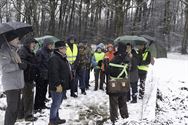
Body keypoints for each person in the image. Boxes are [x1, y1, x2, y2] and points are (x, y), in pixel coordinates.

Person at [0, 31, 26, 125]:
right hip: (10, 84)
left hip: (18, 84)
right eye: (17, 38)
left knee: (16, 109)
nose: (19, 40)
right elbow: (5, 67)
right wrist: (18, 66)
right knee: (12, 108)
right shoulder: (4, 50)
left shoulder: (14, 50)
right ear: (11, 40)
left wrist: (23, 65)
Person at [106, 42, 130, 125]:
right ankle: (125, 117)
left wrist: (106, 65)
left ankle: (114, 120)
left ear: (119, 48)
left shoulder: (116, 58)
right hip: (123, 84)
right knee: (123, 102)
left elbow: (111, 72)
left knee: (113, 104)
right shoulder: (127, 58)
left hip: (115, 84)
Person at [48, 41, 71, 125]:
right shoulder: (54, 58)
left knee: (58, 103)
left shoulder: (62, 57)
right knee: (55, 103)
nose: (66, 49)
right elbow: (54, 73)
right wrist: (58, 84)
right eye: (64, 48)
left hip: (62, 84)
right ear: (59, 49)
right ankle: (52, 120)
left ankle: (56, 118)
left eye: (66, 48)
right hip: (57, 85)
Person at [17, 37, 38, 121]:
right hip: (25, 77)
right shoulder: (23, 51)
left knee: (26, 96)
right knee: (28, 97)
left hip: (29, 77)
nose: (34, 45)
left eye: (35, 43)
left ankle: (20, 114)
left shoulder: (30, 51)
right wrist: (32, 65)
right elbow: (21, 63)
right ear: (28, 43)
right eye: (33, 43)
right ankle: (28, 116)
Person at [34, 39, 53, 111]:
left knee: (44, 90)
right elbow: (37, 64)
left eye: (52, 44)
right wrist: (39, 73)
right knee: (39, 91)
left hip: (47, 75)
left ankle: (42, 104)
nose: (51, 46)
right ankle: (36, 106)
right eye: (50, 44)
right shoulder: (40, 52)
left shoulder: (49, 52)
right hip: (41, 75)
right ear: (46, 45)